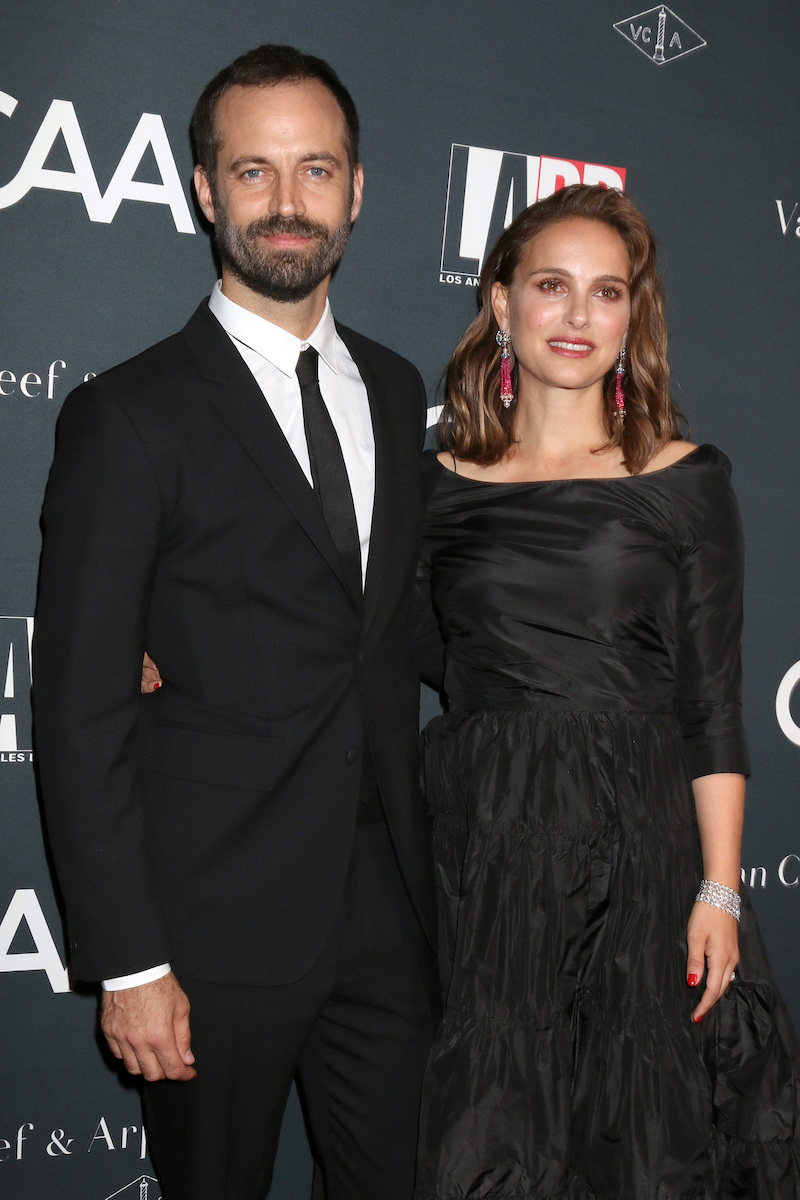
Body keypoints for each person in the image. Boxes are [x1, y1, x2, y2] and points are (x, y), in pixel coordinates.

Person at [33, 44, 441, 1200]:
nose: (286, 203)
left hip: (388, 915)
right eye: (251, 173)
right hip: (206, 935)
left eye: (315, 171)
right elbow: (78, 708)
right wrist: (131, 961)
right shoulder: (131, 414)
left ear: (355, 190)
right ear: (205, 192)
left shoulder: (399, 386)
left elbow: (397, 621)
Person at [413, 184, 800, 1198]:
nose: (578, 316)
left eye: (605, 292)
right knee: (488, 1136)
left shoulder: (683, 477)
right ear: (499, 305)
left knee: (631, 1138)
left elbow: (711, 701)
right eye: (550, 286)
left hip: (637, 843)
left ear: (634, 314)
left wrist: (717, 888)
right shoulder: (436, 488)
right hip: (484, 850)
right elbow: (369, 645)